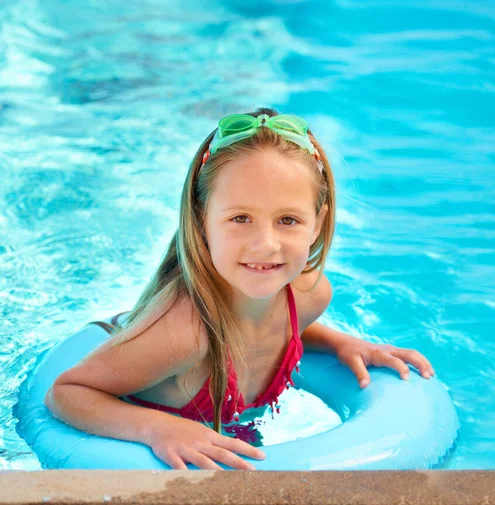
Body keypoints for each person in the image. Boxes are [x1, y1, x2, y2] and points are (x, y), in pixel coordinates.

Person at [45, 107, 435, 471]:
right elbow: (67, 391)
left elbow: (273, 327)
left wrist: (339, 343)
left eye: (287, 219)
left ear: (318, 222)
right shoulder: (184, 334)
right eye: (241, 218)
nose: (265, 244)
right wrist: (154, 429)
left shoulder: (310, 296)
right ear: (202, 220)